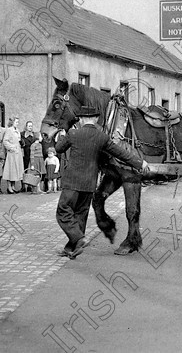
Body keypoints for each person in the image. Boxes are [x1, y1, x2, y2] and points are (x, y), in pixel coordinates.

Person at [53, 106, 146, 258]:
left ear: (81, 119)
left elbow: (58, 148)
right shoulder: (101, 136)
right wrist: (139, 163)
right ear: (96, 119)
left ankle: (78, 238)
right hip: (89, 184)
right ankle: (72, 249)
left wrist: (61, 134)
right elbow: (121, 153)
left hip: (72, 182)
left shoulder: (73, 133)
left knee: (63, 211)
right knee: (80, 214)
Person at [2, 117, 24, 194]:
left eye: (18, 122)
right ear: (12, 122)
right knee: (11, 170)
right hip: (12, 153)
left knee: (15, 170)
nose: (17, 124)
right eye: (16, 122)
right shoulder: (9, 130)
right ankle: (9, 187)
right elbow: (5, 141)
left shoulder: (17, 130)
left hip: (18, 152)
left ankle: (13, 186)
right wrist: (11, 147)